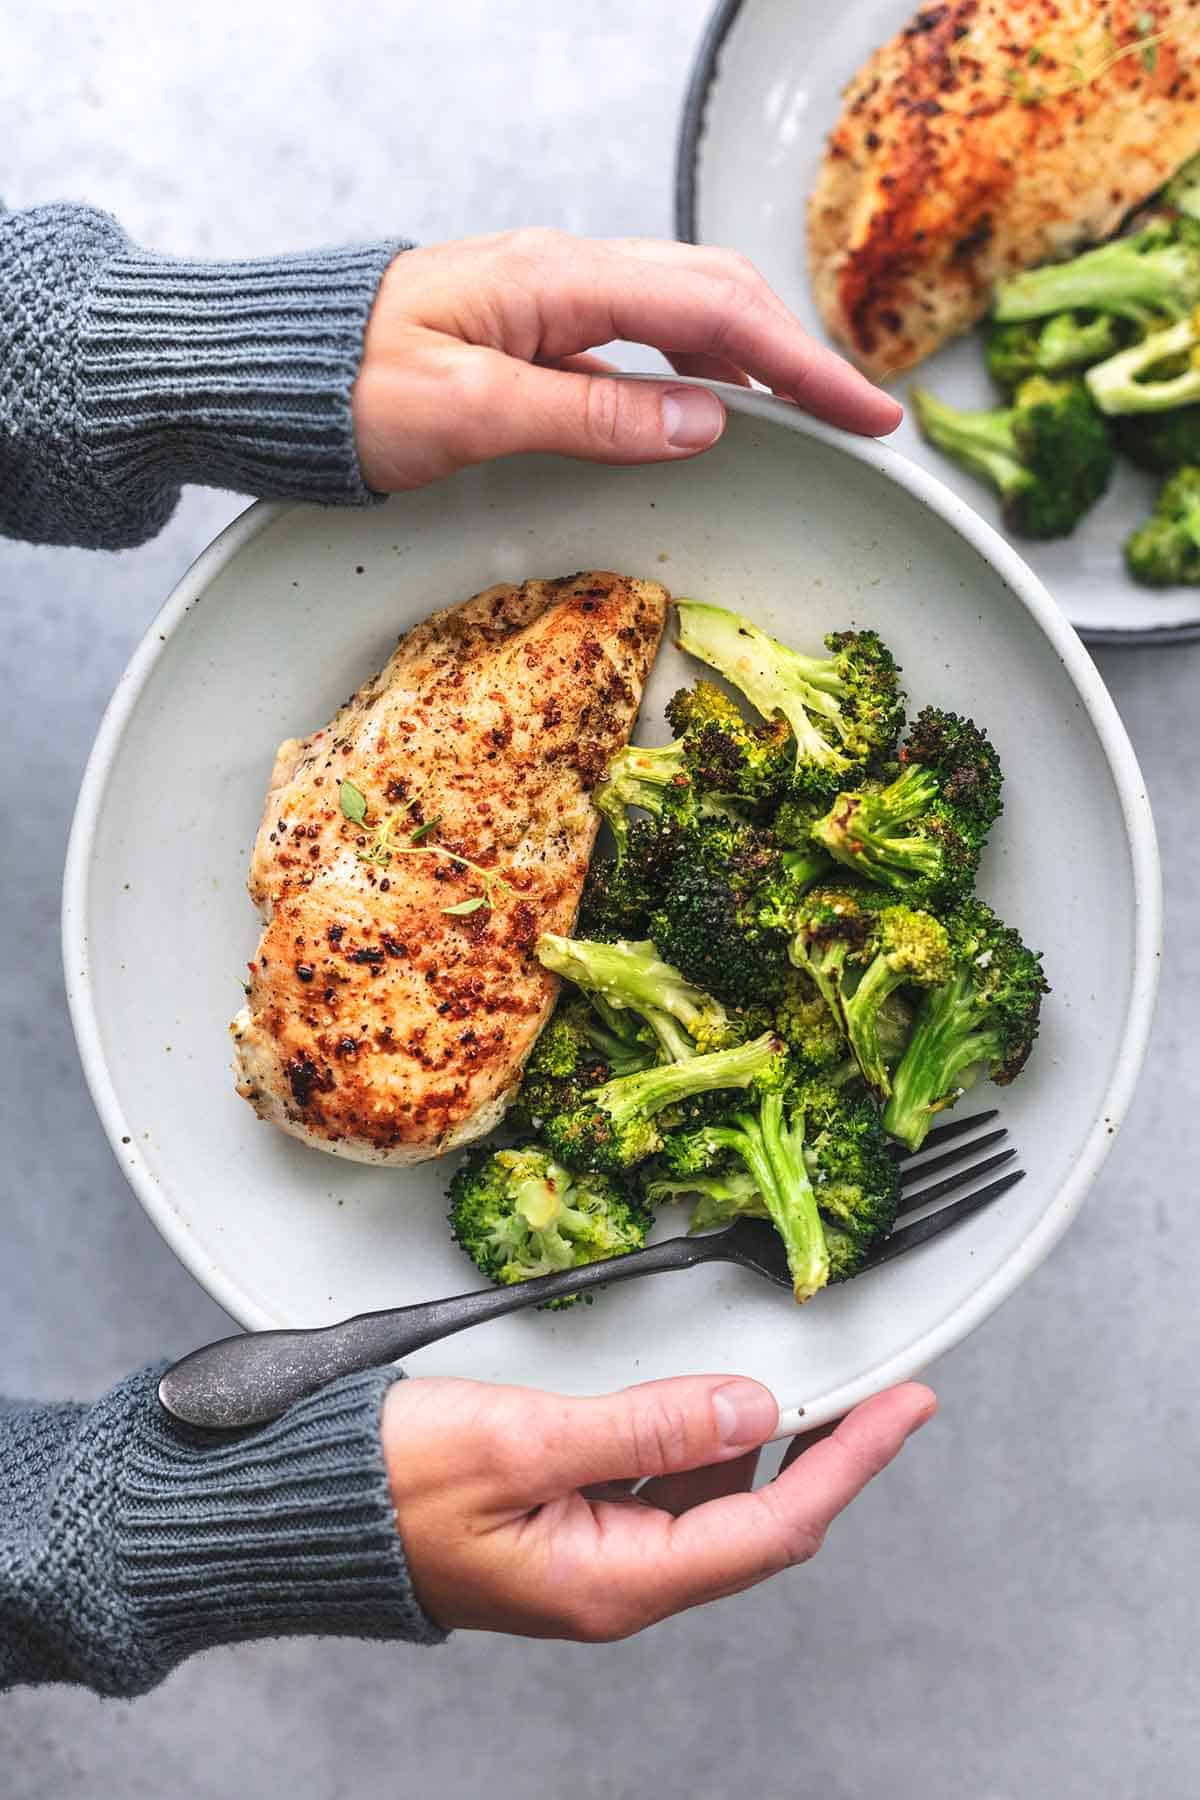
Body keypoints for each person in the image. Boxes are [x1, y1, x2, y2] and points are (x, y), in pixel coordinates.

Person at [0, 205, 935, 1695]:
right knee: (477, 879)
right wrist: (191, 1528)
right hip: (382, 1040)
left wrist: (129, 361)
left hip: (378, 968)